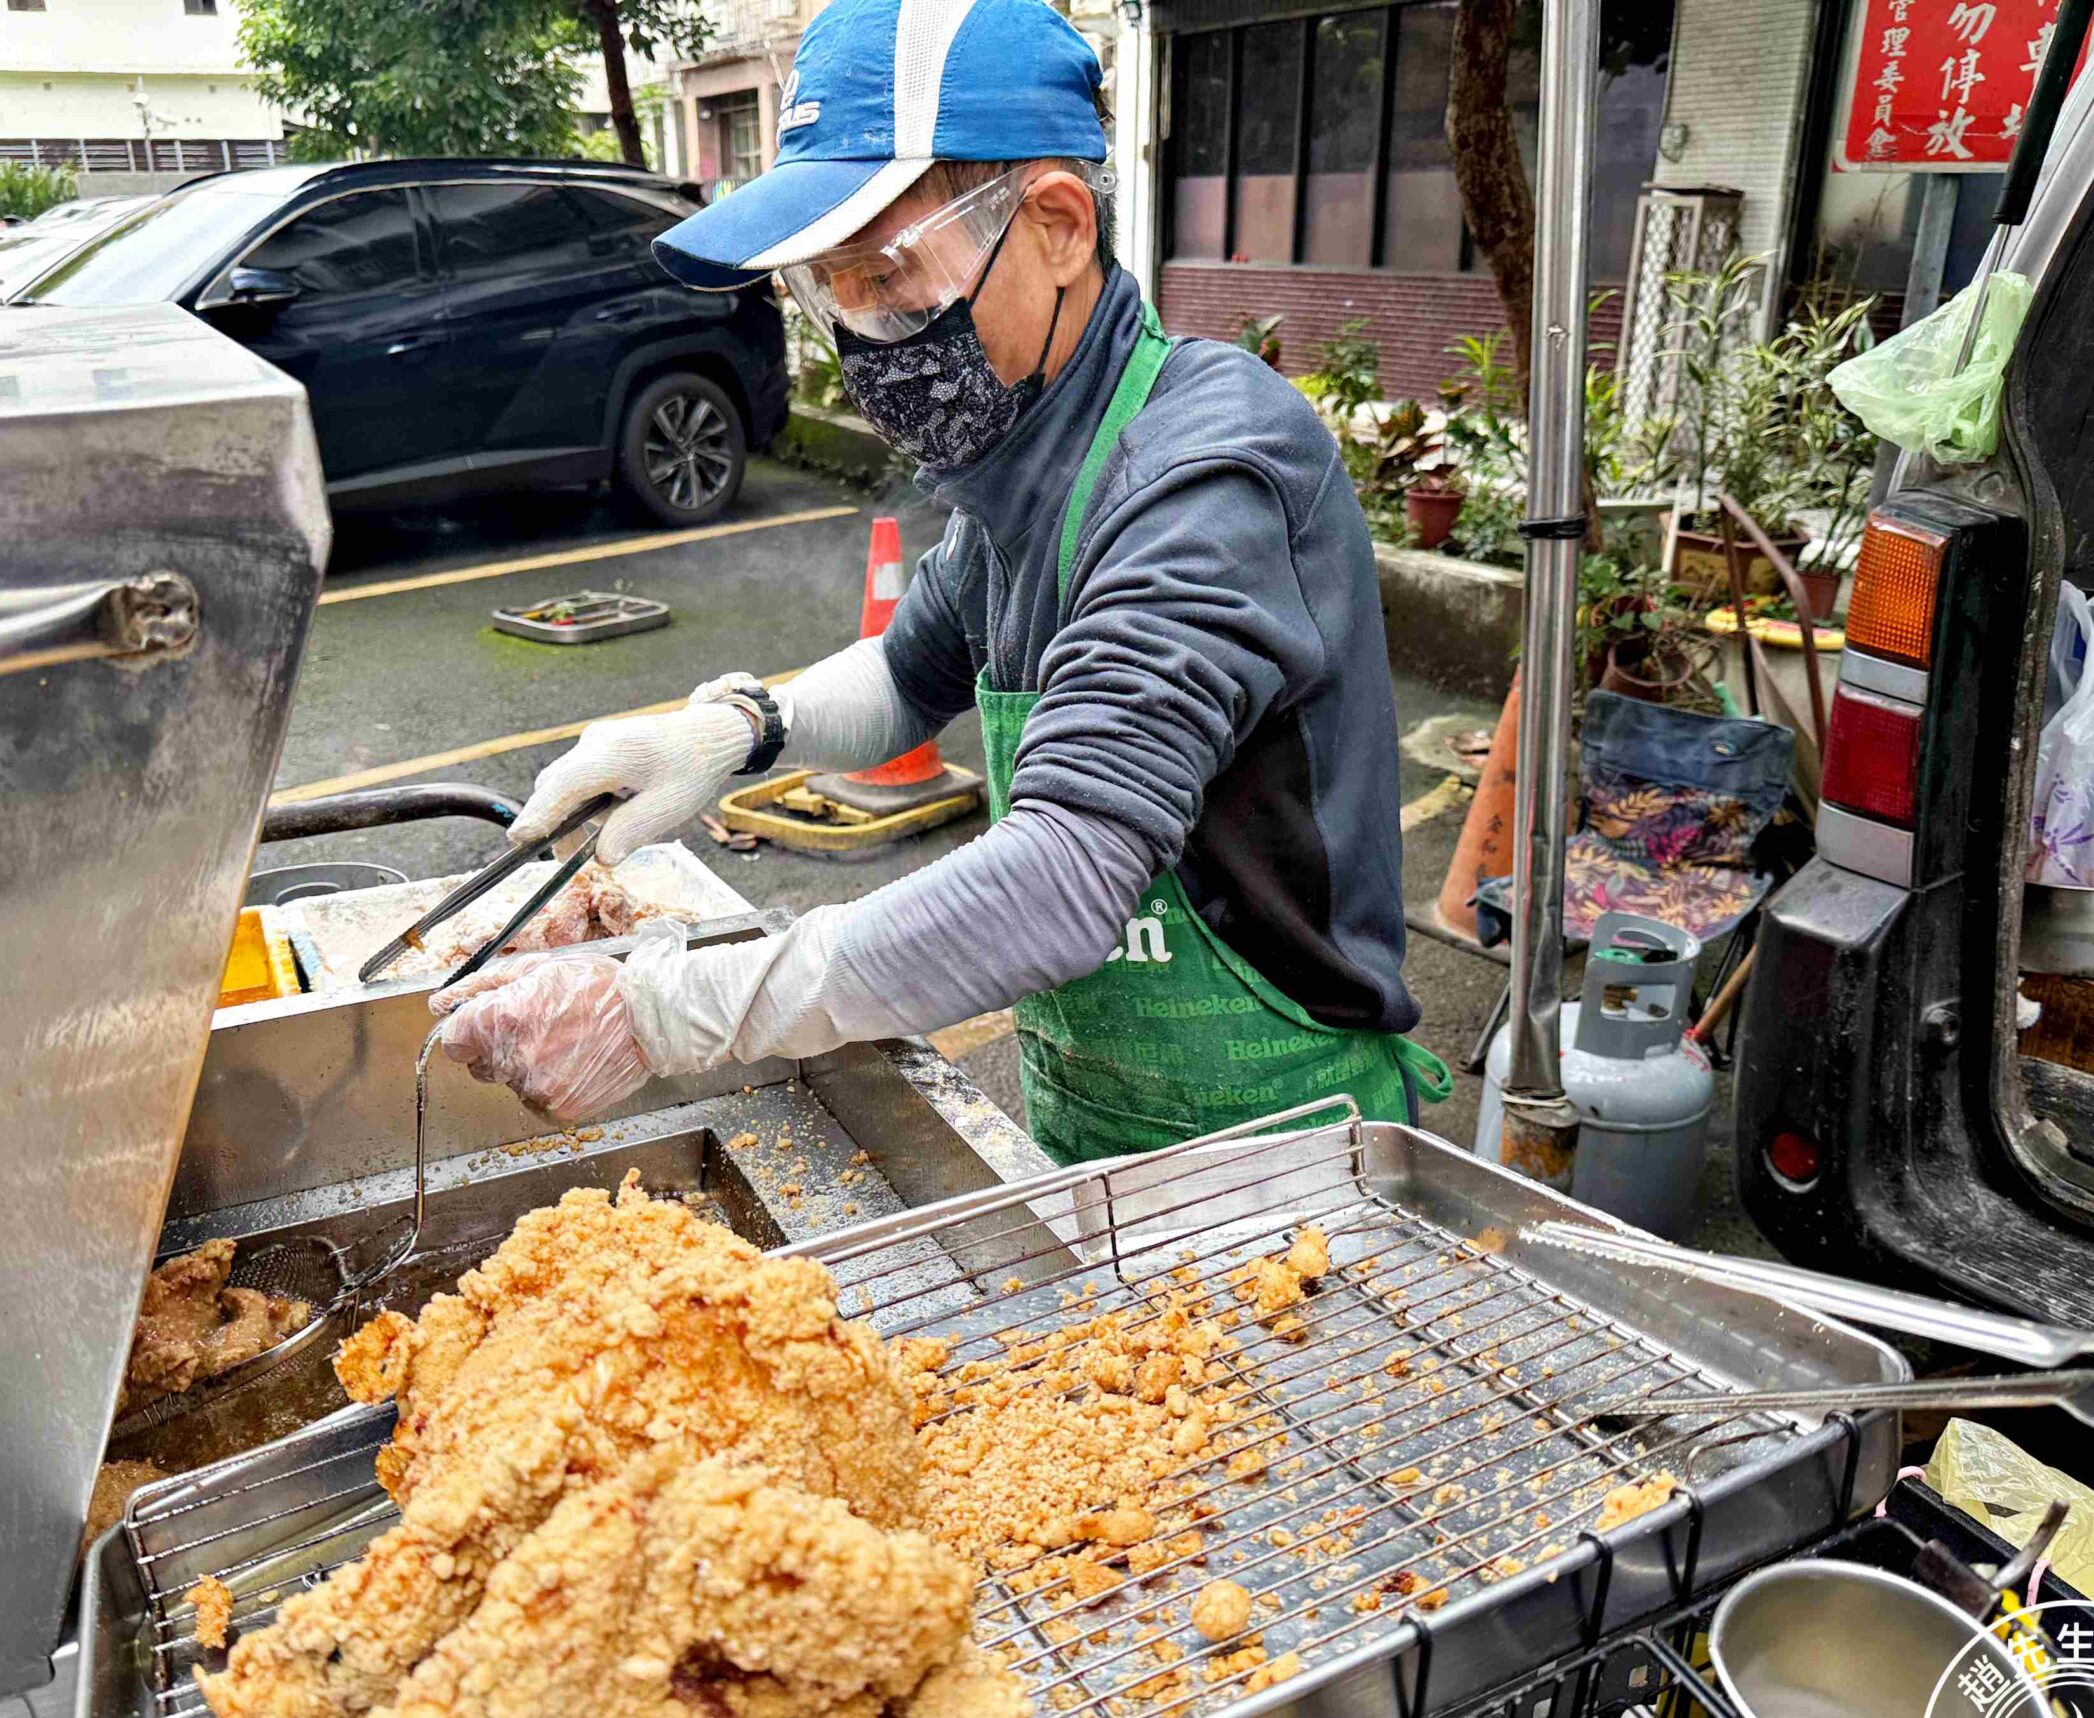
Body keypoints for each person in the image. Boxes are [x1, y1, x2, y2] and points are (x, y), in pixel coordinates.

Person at [429, 0, 1449, 1164]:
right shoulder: (1025, 456)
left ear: (1057, 225)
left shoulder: (1204, 476)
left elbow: (1062, 878)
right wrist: (732, 732)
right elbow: (911, 679)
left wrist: (662, 1010)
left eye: (885, 275)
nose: (864, 337)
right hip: (1091, 1112)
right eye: (829, 292)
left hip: (1278, 1132)